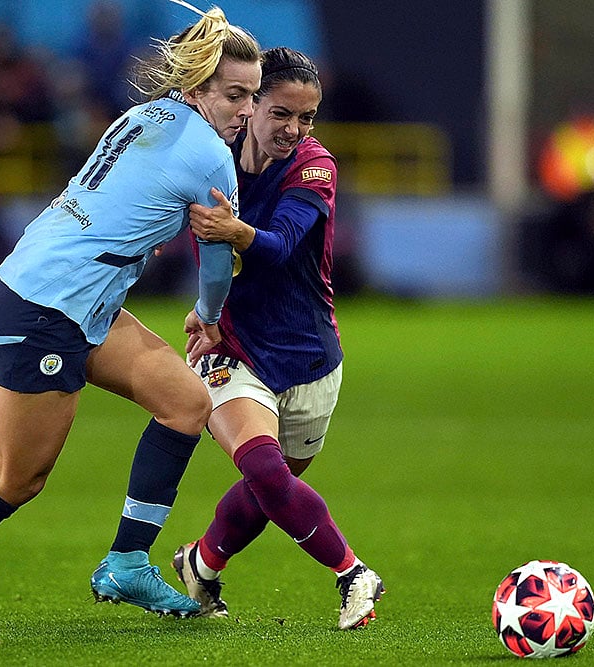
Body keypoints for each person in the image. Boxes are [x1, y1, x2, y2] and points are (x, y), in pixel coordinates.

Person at [0, 5, 261, 630]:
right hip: (47, 308)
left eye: (251, 97)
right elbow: (214, 262)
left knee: (185, 401)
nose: (245, 111)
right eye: (234, 95)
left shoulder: (145, 116)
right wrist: (208, 318)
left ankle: (127, 560)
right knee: (18, 477)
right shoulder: (209, 155)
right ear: (196, 86)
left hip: (72, 298)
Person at [170, 47, 384, 630]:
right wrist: (205, 309)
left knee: (273, 487)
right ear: (251, 103)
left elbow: (282, 245)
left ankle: (202, 562)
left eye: (307, 117)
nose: (294, 129)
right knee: (266, 471)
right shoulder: (211, 161)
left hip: (311, 358)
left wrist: (236, 230)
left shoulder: (315, 166)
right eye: (282, 113)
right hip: (232, 349)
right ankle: (354, 574)